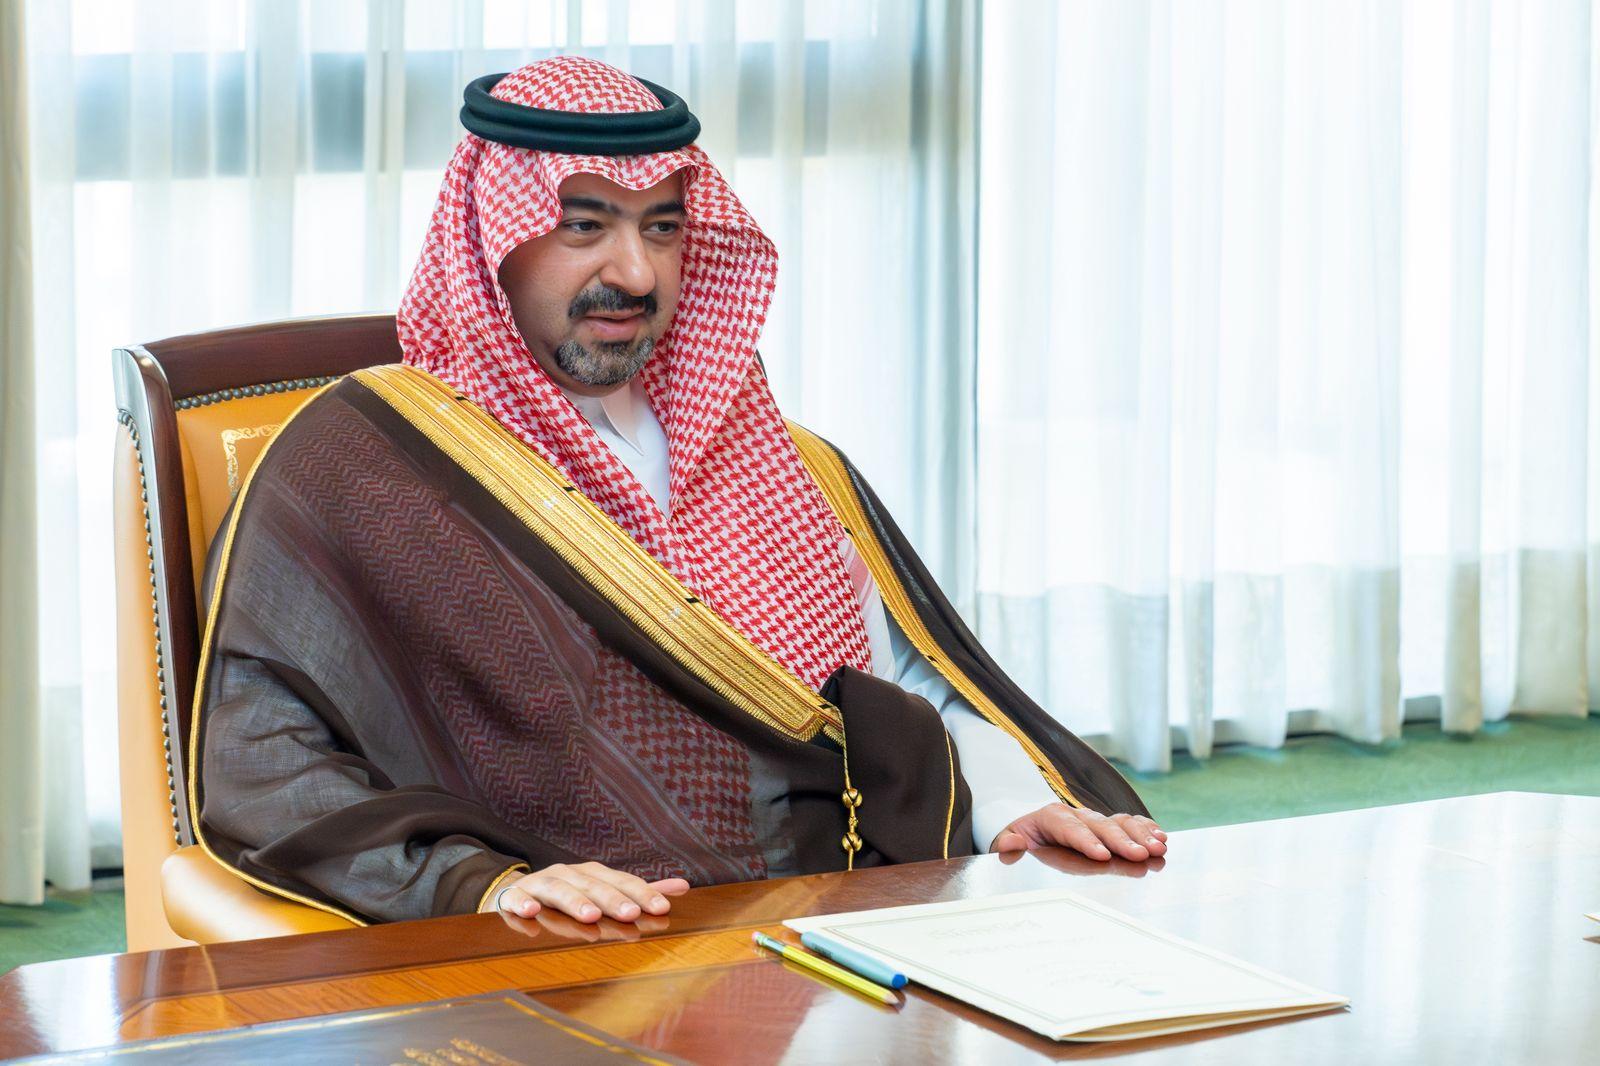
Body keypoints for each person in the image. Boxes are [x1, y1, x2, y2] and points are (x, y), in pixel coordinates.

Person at [189, 56, 1164, 929]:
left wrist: (1007, 803)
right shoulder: (361, 459)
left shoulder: (772, 452)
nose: (635, 271)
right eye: (584, 225)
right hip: (599, 943)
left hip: (859, 923)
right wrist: (482, 885)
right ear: (492, 236)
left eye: (663, 228)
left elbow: (901, 684)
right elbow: (263, 751)